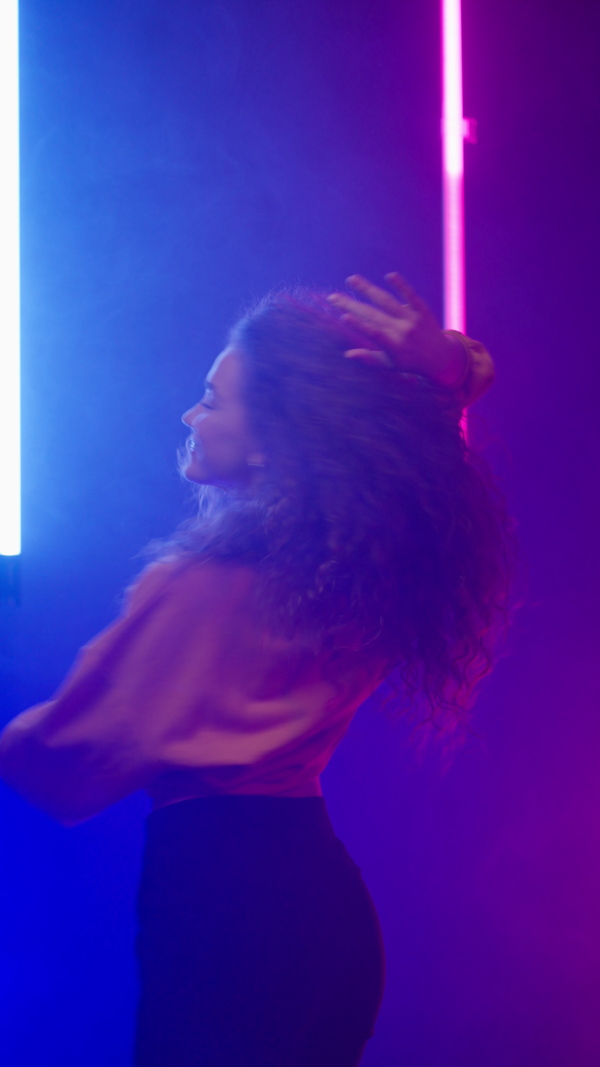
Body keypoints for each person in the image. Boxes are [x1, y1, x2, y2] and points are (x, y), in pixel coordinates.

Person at [0, 274, 509, 1066]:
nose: (190, 415)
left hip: (222, 904)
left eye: (210, 397)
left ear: (275, 433)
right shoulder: (365, 557)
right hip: (323, 904)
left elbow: (61, 764)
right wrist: (445, 368)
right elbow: (415, 446)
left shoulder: (206, 585)